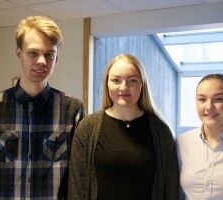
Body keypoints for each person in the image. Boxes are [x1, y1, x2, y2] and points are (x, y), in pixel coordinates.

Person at [0, 15, 85, 199]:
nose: (41, 61)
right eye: (33, 52)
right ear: (19, 54)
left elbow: (79, 179)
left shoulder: (73, 111)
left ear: (57, 58)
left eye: (49, 54)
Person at [68, 53, 179, 200]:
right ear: (107, 84)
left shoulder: (161, 131)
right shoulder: (87, 128)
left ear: (142, 85)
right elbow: (76, 188)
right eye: (116, 80)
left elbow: (170, 189)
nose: (124, 87)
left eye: (132, 80)